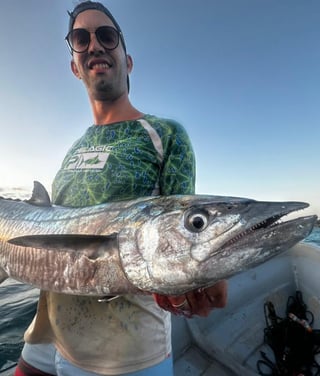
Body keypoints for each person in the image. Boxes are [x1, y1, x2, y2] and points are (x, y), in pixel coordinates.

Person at [14, 2, 227, 375]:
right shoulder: (76, 146)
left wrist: (200, 275)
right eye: (81, 39)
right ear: (74, 67)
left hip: (125, 352)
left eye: (107, 36)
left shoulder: (165, 134)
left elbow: (178, 238)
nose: (95, 45)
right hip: (49, 330)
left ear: (127, 62)